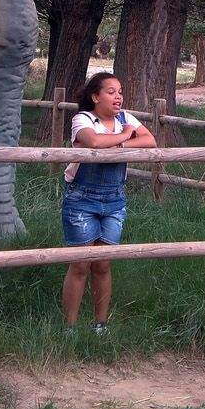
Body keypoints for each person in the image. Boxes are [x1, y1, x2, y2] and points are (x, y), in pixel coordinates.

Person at [60, 71, 156, 333]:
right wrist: (126, 135)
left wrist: (122, 147)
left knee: (103, 263)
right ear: (95, 96)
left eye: (120, 92)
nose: (118, 97)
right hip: (82, 200)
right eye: (111, 92)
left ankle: (101, 324)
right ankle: (69, 327)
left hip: (115, 200)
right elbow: (94, 141)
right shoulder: (83, 119)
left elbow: (150, 140)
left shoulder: (126, 118)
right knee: (80, 263)